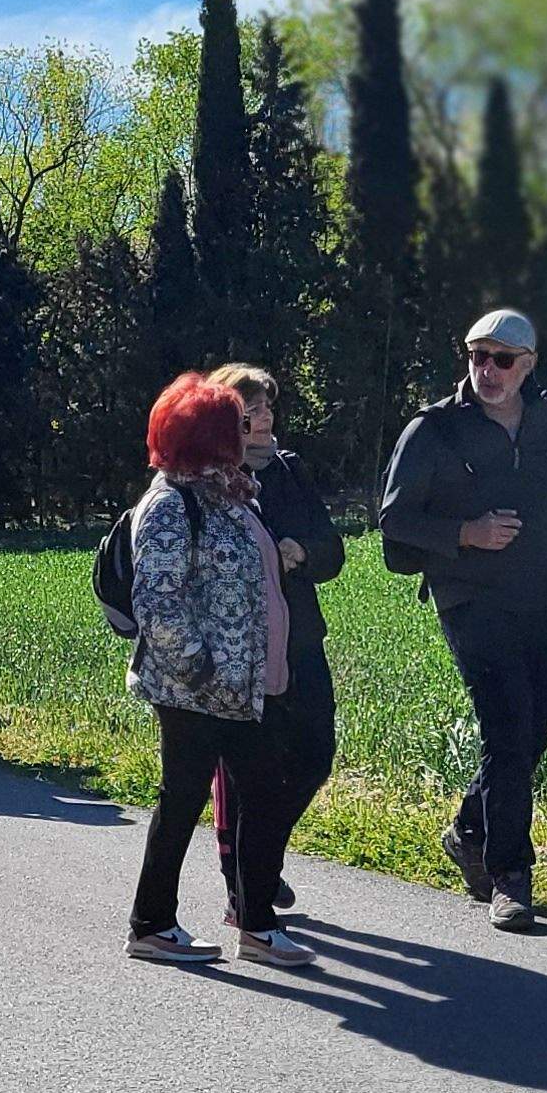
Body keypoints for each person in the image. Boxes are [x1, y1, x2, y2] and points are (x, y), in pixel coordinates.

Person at [377, 308, 547, 932]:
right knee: (507, 728)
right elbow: (394, 522)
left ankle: (469, 828)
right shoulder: (434, 430)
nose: (487, 370)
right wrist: (465, 534)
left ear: (528, 366)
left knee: (535, 729)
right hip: (472, 604)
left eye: (502, 359)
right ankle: (510, 876)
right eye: (478, 356)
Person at [100, 374, 311, 967]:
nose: (248, 434)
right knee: (184, 798)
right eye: (236, 426)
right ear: (211, 437)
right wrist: (199, 673)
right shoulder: (171, 504)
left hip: (242, 685)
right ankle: (152, 926)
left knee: (263, 794)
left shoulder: (231, 496)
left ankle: (256, 924)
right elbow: (158, 602)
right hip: (191, 688)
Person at [215, 363, 340, 921]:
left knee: (316, 755)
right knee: (250, 771)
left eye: (266, 406)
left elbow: (332, 551)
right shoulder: (212, 476)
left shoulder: (290, 470)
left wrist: (302, 552)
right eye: (251, 408)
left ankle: (261, 858)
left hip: (302, 639)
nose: (263, 416)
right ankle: (245, 884)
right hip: (245, 649)